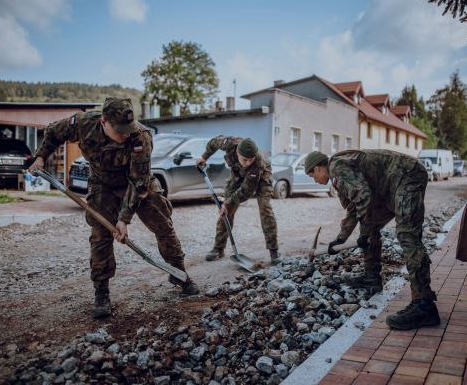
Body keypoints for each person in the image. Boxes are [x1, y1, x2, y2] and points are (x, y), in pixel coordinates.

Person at [29, 97, 199, 319]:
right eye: (119, 130)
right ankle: (101, 292)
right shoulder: (82, 123)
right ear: (103, 121)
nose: (125, 134)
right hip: (103, 184)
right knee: (100, 235)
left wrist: (124, 219)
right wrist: (41, 157)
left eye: (127, 129)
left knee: (163, 226)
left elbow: (138, 182)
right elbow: (53, 132)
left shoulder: (140, 137)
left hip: (139, 184)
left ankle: (179, 273)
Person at [304, 149, 440, 330]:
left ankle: (424, 304)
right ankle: (371, 277)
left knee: (407, 234)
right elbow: (354, 208)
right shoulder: (338, 179)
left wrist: (364, 235)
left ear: (320, 166)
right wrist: (340, 238)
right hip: (389, 187)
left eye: (312, 174)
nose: (314, 179)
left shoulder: (337, 166)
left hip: (407, 176)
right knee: (369, 226)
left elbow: (364, 196)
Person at [197, 136, 280, 264]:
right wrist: (204, 157)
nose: (247, 163)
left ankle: (273, 250)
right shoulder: (230, 144)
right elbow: (214, 143)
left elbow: (246, 191)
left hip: (262, 176)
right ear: (237, 153)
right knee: (226, 211)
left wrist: (227, 202)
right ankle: (218, 249)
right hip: (238, 175)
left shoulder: (256, 164)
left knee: (265, 208)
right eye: (245, 159)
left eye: (250, 160)